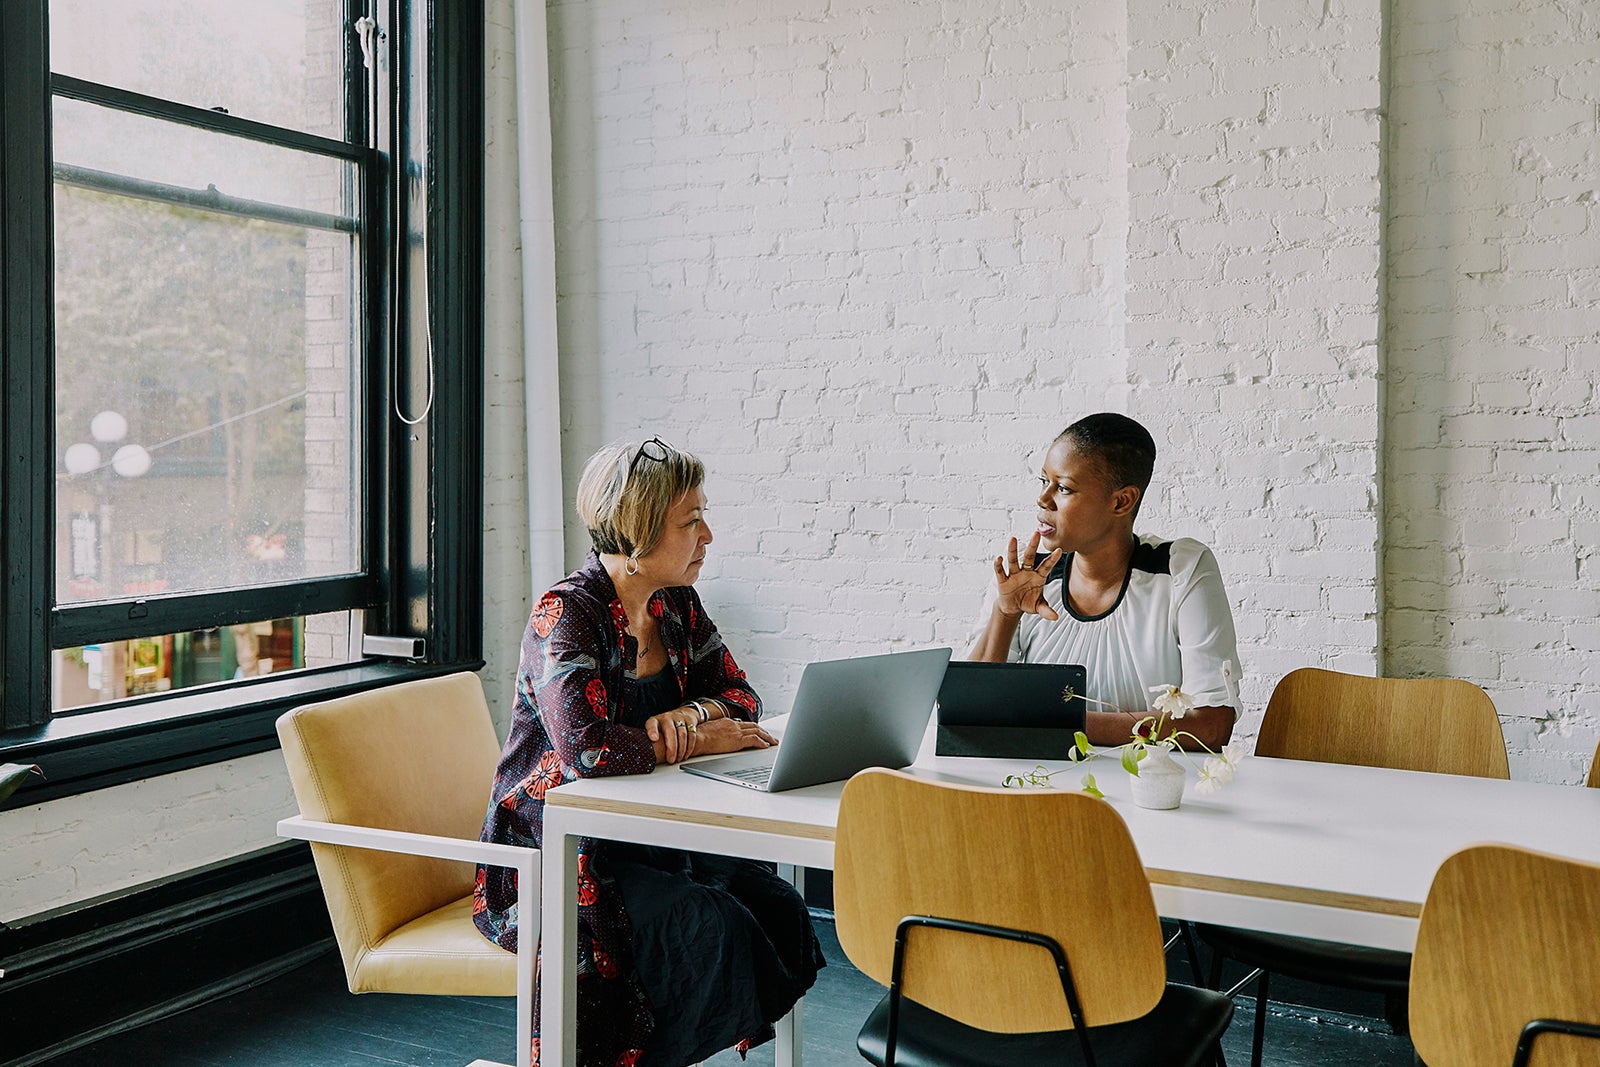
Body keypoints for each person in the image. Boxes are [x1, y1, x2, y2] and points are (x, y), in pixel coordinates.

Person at [475, 437, 825, 1067]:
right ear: (637, 535)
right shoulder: (567, 613)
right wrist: (695, 741)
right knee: (706, 926)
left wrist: (691, 717)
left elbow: (743, 696)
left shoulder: (676, 605)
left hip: (650, 837)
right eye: (691, 522)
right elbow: (586, 752)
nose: (708, 536)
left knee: (778, 907)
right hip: (560, 857)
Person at [967, 413, 1240, 751]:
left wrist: (1051, 720)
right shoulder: (1027, 574)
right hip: (1041, 786)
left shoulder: (1180, 569)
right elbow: (967, 715)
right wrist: (1005, 614)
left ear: (1120, 502)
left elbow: (1212, 725)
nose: (1043, 499)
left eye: (1064, 488)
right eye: (1043, 481)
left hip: (1145, 792)